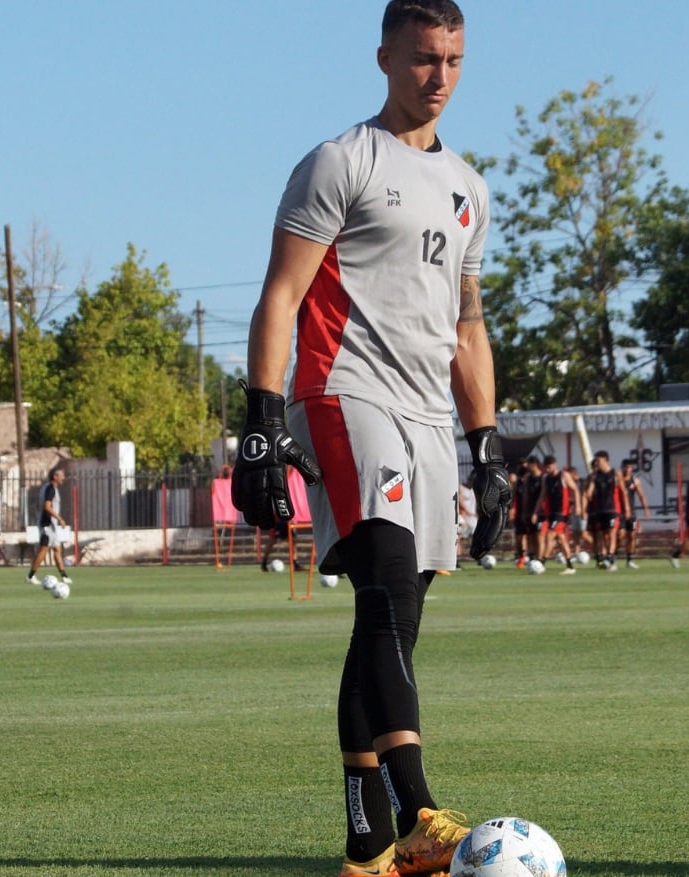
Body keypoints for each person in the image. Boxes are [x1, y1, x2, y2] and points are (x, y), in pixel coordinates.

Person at [229, 4, 509, 877]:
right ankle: (422, 808)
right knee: (386, 588)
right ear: (385, 56)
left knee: (391, 620)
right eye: (426, 58)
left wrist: (488, 450)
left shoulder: (470, 188)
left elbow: (468, 327)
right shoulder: (340, 162)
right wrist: (262, 421)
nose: (441, 77)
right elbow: (281, 293)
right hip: (345, 393)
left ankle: (367, 847)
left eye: (455, 60)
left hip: (429, 418)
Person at [26, 466, 73, 585]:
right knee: (44, 549)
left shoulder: (46, 487)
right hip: (47, 525)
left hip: (50, 525)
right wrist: (60, 519)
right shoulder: (51, 489)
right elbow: (47, 507)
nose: (63, 477)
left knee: (57, 549)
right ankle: (31, 576)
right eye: (61, 475)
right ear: (55, 477)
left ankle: (65, 576)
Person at [584, 451, 625, 571]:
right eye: (596, 461)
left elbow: (623, 492)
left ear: (606, 460)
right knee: (603, 535)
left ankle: (611, 557)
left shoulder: (615, 474)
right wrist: (589, 489)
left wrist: (626, 508)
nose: (597, 463)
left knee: (612, 533)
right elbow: (589, 493)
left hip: (612, 509)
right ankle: (605, 557)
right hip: (600, 509)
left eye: (599, 460)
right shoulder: (595, 476)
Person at [539, 456, 577, 574]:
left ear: (555, 465)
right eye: (545, 467)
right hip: (551, 513)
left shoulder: (563, 476)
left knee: (550, 536)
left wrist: (578, 506)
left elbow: (575, 490)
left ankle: (541, 563)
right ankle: (570, 566)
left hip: (561, 513)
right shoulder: (546, 479)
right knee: (561, 539)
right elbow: (542, 495)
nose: (546, 469)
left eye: (548, 467)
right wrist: (536, 511)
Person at [619, 459, 651, 569]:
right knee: (620, 536)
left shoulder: (635, 481)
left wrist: (646, 509)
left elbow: (641, 495)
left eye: (630, 467)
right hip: (619, 513)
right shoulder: (618, 480)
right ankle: (611, 555)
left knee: (632, 535)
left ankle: (630, 559)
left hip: (631, 513)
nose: (628, 470)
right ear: (622, 467)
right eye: (626, 467)